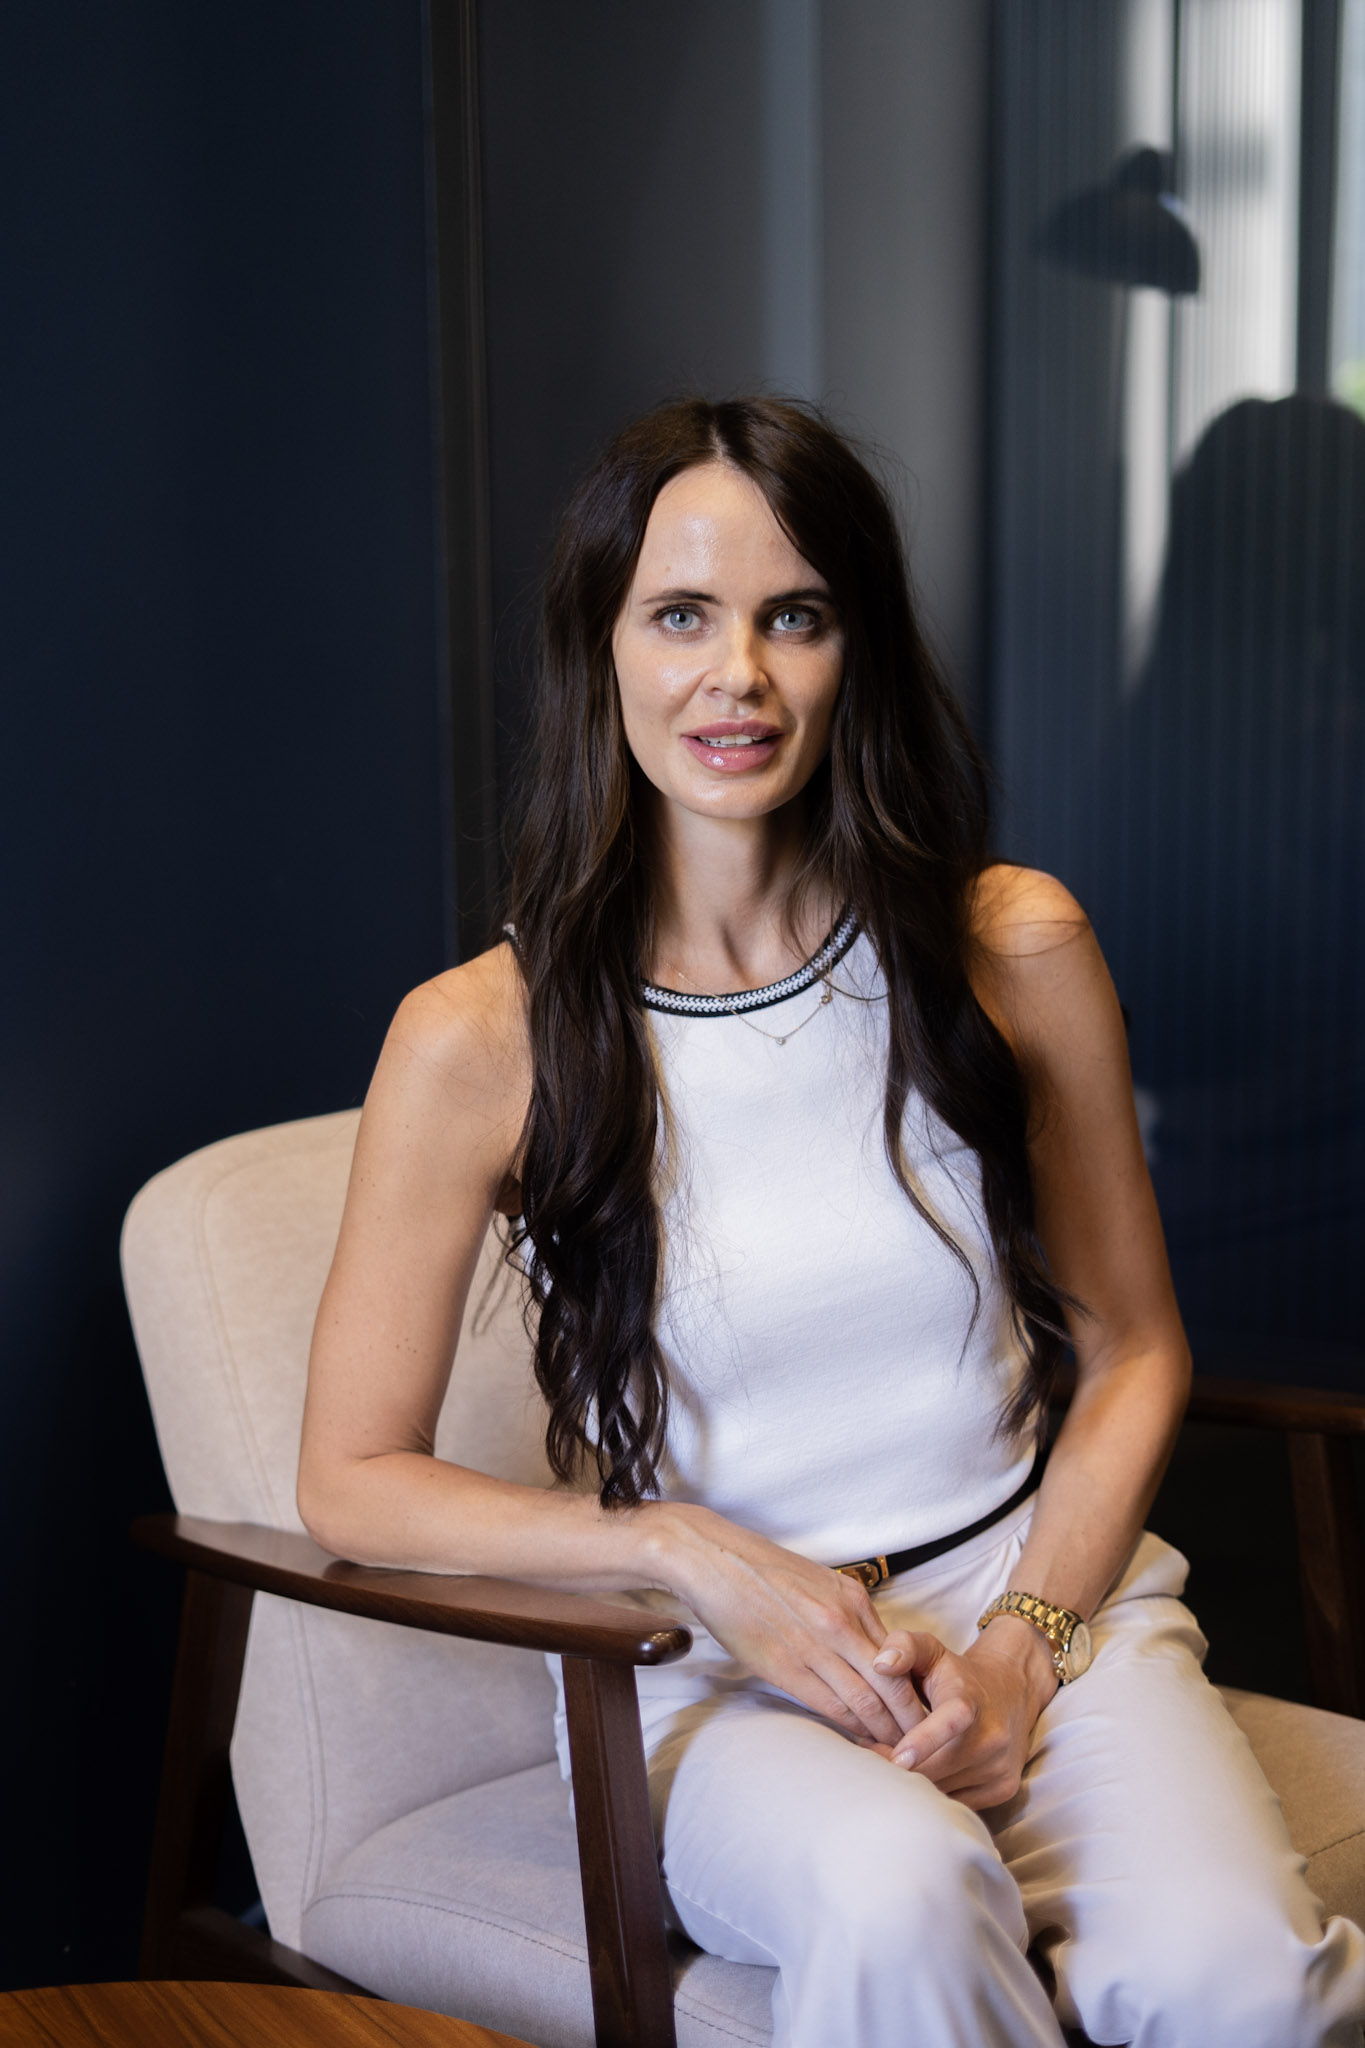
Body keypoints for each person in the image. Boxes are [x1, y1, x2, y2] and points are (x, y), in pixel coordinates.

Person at [297, 397, 1365, 2047]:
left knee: (1237, 1991)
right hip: (706, 1673)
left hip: (1036, 1607)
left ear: (853, 648)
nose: (737, 675)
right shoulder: (475, 1039)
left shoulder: (1009, 946)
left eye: (792, 617)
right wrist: (676, 1548)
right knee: (901, 1892)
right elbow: (348, 1476)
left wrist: (1017, 1654)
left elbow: (1135, 1350)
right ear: (600, 649)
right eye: (679, 616)